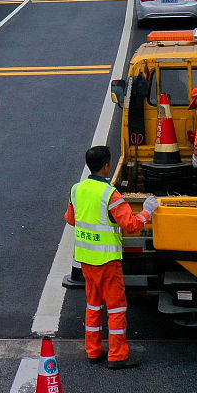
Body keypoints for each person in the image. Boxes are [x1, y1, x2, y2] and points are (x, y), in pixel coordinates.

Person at [64, 145, 159, 369]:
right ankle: (117, 355)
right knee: (116, 308)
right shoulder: (110, 194)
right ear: (107, 165)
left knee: (93, 306)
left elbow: (71, 219)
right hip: (107, 261)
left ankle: (94, 350)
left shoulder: (76, 189)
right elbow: (130, 224)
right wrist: (147, 211)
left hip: (86, 260)